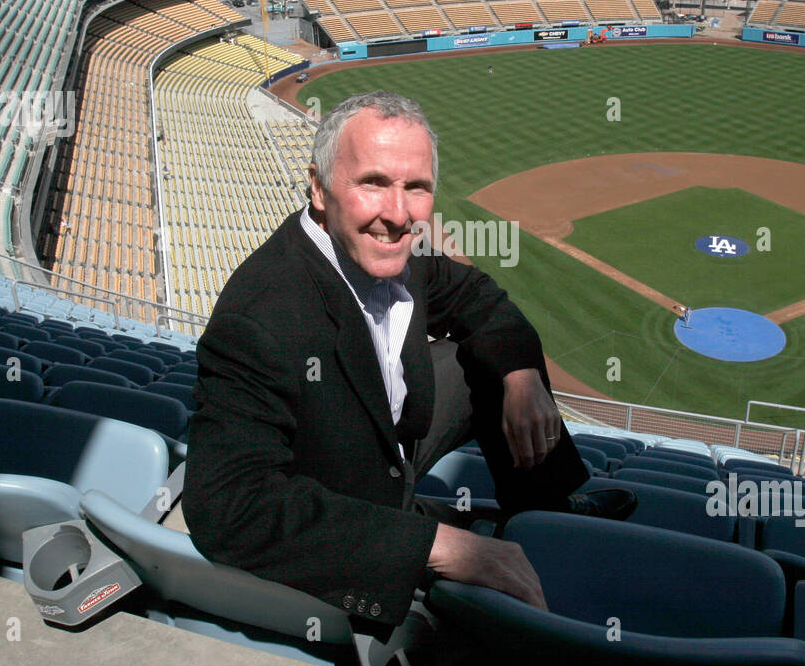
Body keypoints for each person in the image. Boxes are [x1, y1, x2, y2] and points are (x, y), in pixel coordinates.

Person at [184, 90, 634, 629]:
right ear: (319, 189)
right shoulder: (260, 315)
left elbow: (476, 296)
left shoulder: (400, 255)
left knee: (489, 356)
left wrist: (521, 377)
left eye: (416, 188)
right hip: (341, 490)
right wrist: (435, 546)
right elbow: (228, 505)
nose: (397, 215)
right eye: (373, 182)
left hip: (392, 430)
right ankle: (436, 523)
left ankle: (547, 512)